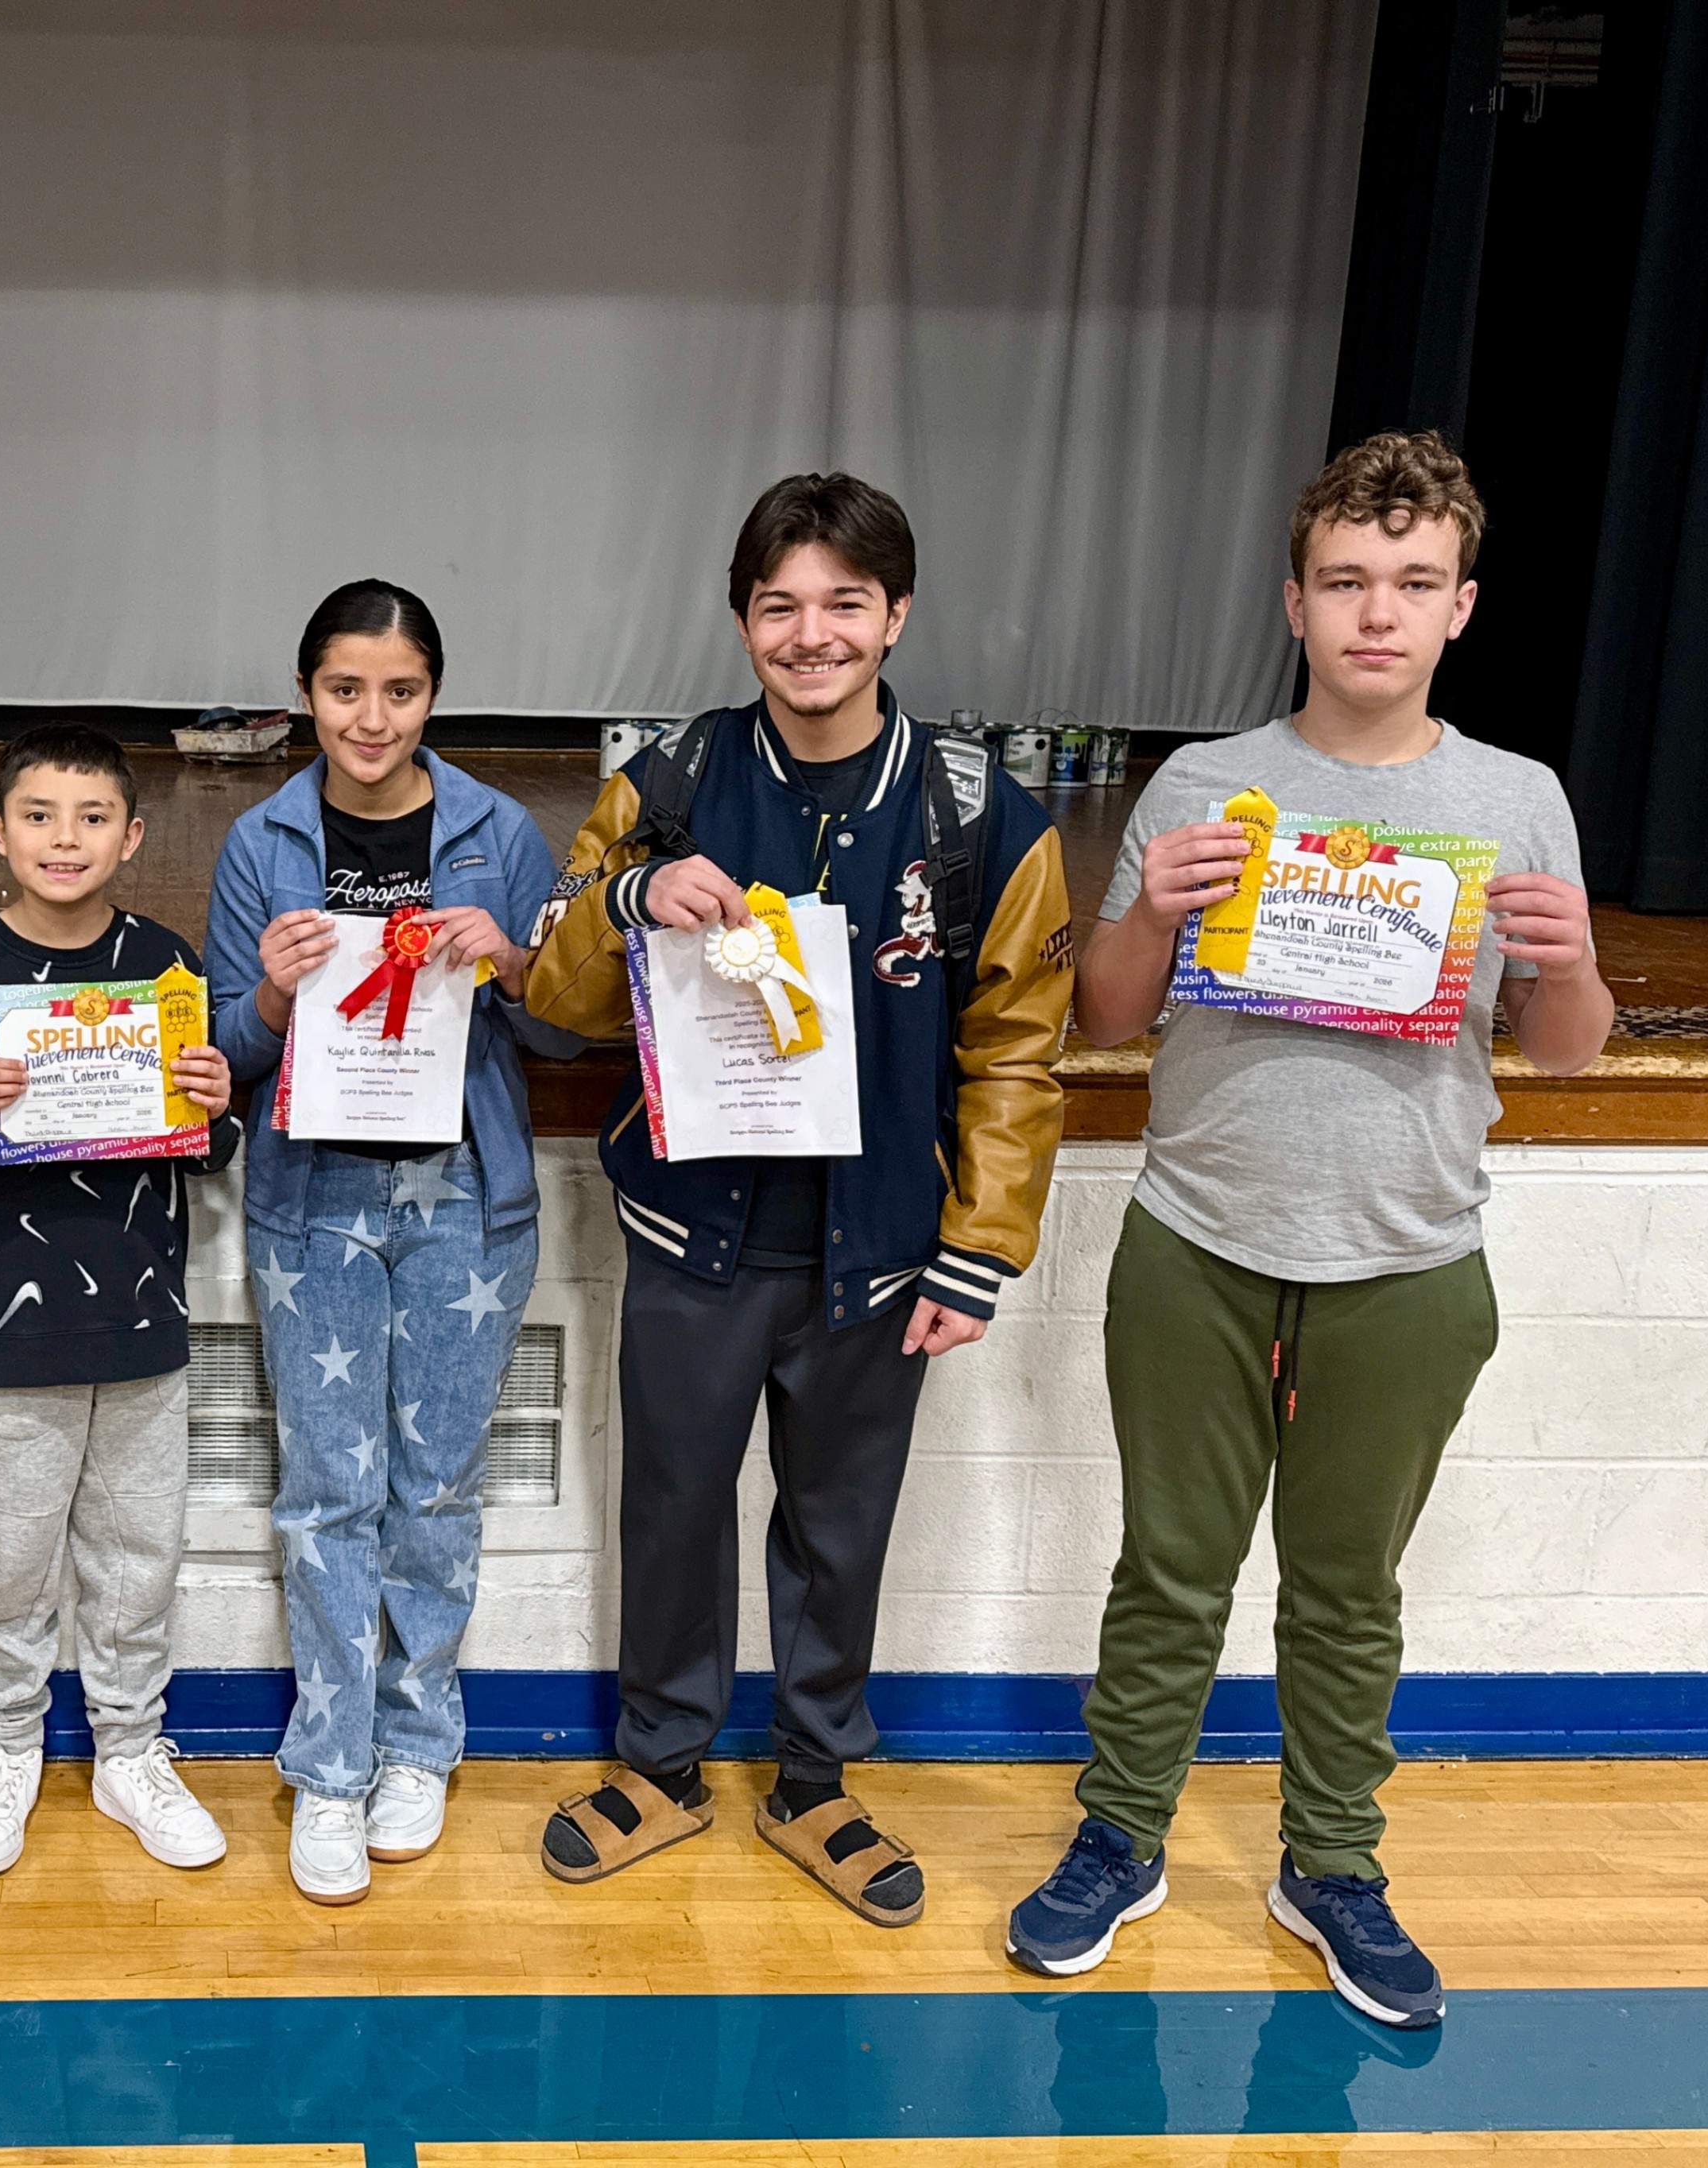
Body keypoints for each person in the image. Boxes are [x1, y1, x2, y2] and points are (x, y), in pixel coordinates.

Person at [1005, 432, 1610, 2027]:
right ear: (1293, 597)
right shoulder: (1206, 784)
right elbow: (1109, 1016)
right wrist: (1147, 910)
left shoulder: (1517, 798)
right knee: (1171, 1566)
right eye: (1345, 579)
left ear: (1461, 607)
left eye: (1412, 583)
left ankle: (1329, 1859)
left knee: (1347, 1587)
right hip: (1199, 1233)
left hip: (1409, 1256)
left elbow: (1566, 1050)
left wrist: (1564, 962)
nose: (1375, 613)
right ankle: (1122, 1831)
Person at [522, 474, 1072, 1923]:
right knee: (674, 1506)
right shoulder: (672, 785)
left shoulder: (977, 814)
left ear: (896, 615)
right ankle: (660, 1762)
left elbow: (1016, 1049)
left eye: (843, 603)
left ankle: (818, 1782)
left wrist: (978, 1247)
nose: (810, 633)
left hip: (879, 1253)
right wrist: (631, 903)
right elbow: (559, 995)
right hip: (692, 1240)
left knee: (839, 1525)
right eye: (780, 604)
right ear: (741, 618)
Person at [205, 579, 583, 1906]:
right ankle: (328, 1765)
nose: (372, 718)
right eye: (344, 689)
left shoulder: (496, 832)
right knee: (323, 1490)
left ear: (434, 694)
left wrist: (517, 964)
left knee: (435, 1484)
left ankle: (419, 1744)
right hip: (311, 1200)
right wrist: (265, 988)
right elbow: (226, 1051)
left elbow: (563, 1030)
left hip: (463, 1204)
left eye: (401, 690)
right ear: (305, 694)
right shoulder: (261, 838)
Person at [0, 724, 241, 1877]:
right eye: (39, 814)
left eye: (91, 818)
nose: (64, 838)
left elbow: (209, 1146)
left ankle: (132, 1749)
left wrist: (216, 1098)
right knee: (10, 1555)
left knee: (139, 1549)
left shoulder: (165, 964)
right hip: (4, 1325)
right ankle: (7, 1744)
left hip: (139, 1317)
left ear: (132, 836)